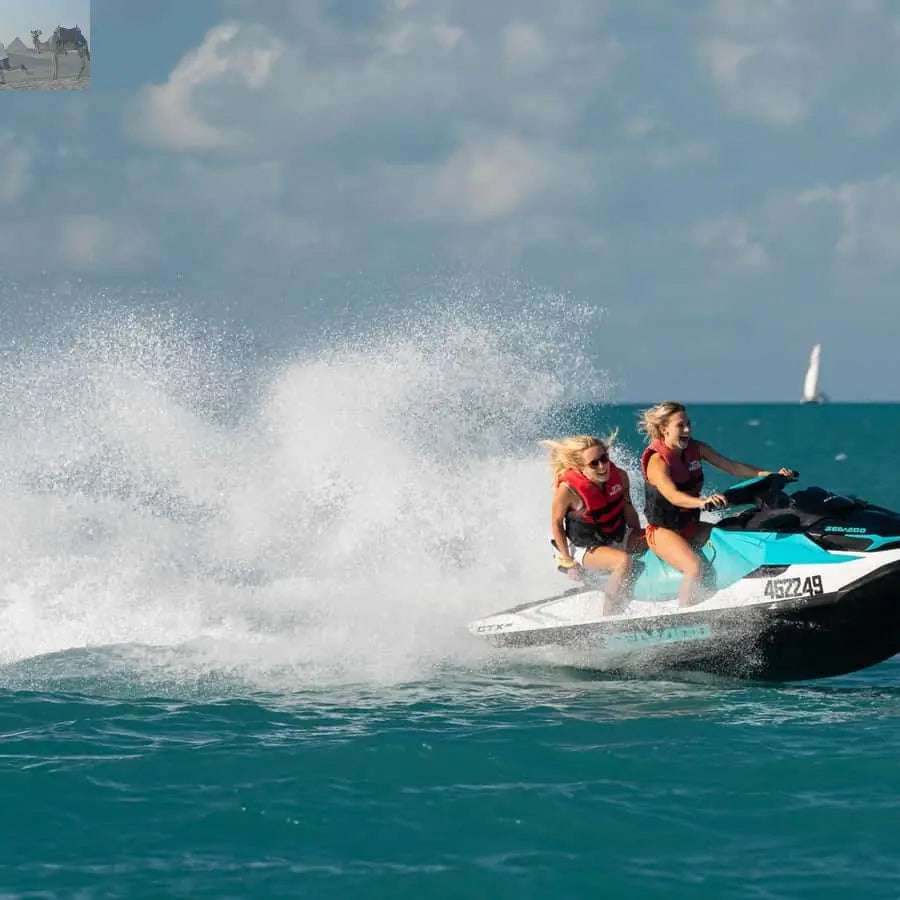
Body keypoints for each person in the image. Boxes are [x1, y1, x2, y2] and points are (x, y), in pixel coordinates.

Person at [638, 401, 795, 608]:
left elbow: (733, 467)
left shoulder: (697, 448)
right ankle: (684, 614)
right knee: (693, 566)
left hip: (690, 525)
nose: (687, 429)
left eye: (688, 424)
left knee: (731, 539)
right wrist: (703, 502)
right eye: (680, 425)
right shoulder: (657, 461)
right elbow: (673, 496)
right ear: (663, 428)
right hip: (663, 531)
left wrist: (771, 474)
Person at [541, 432, 644, 614]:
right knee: (623, 561)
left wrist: (640, 535)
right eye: (594, 463)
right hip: (584, 547)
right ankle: (608, 617)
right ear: (580, 467)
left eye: (604, 458)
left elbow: (628, 508)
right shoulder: (568, 491)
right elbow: (556, 525)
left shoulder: (620, 476)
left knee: (656, 537)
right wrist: (568, 562)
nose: (602, 466)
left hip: (615, 536)